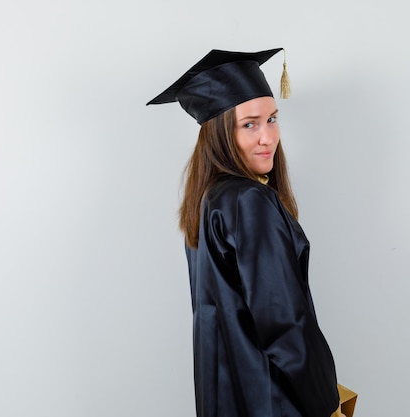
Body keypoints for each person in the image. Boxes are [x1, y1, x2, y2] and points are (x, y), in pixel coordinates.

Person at [147, 49, 344, 417]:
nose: (268, 137)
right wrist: (326, 404)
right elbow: (286, 325)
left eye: (272, 119)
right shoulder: (249, 201)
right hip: (274, 402)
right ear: (222, 132)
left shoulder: (210, 200)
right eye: (249, 124)